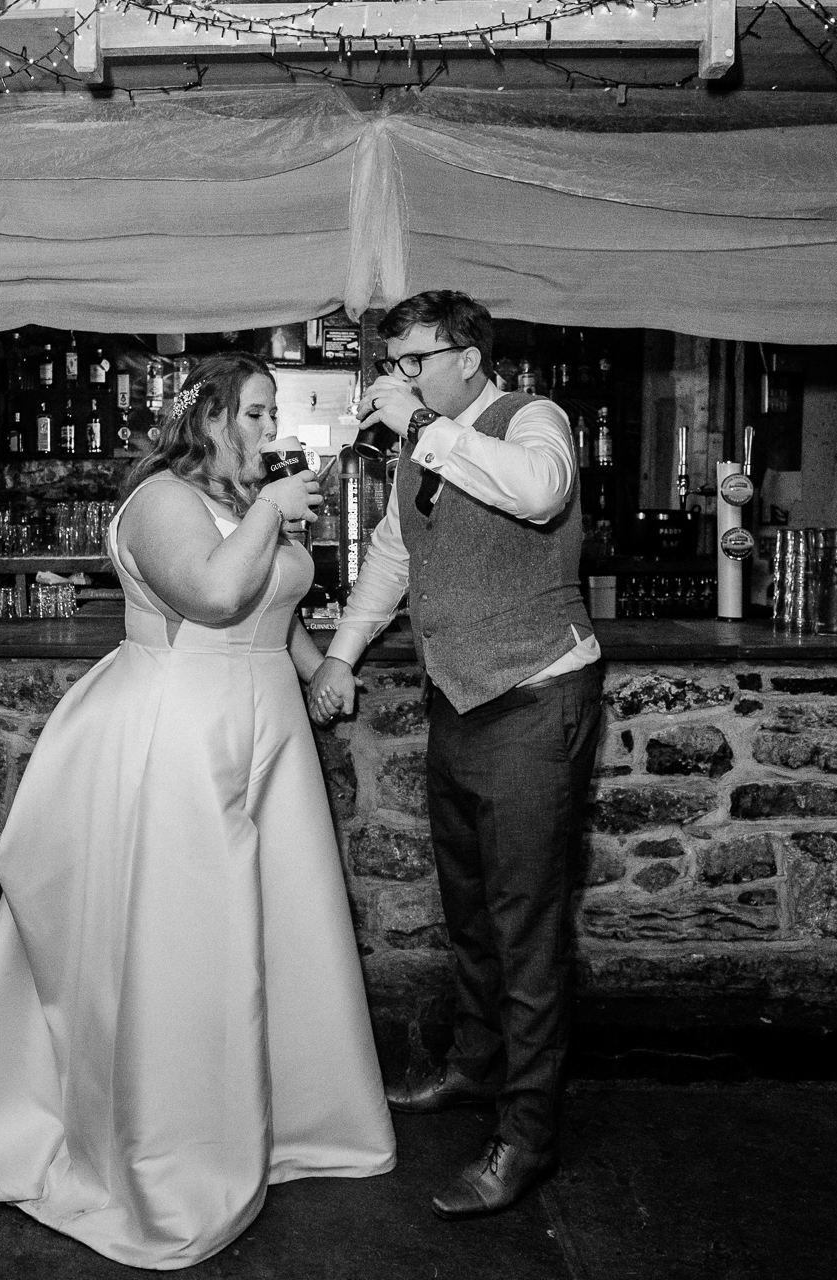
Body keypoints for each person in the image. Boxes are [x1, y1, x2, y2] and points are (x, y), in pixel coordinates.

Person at [0, 351, 396, 1270]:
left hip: (266, 734)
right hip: (180, 738)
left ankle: (286, 1121)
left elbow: (275, 606)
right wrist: (279, 511)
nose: (267, 428)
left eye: (272, 412)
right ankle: (173, 1150)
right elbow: (212, 593)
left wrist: (322, 666)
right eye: (253, 411)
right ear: (203, 419)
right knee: (184, 940)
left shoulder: (249, 503)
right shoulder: (162, 500)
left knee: (275, 928)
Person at [308, 291, 603, 1220]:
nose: (400, 378)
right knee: (469, 906)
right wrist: (342, 658)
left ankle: (527, 1138)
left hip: (537, 689)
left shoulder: (532, 419)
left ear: (468, 358)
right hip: (460, 696)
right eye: (393, 364)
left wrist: (428, 429)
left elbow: (539, 490)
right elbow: (395, 555)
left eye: (414, 360)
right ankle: (478, 1069)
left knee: (527, 924)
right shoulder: (417, 446)